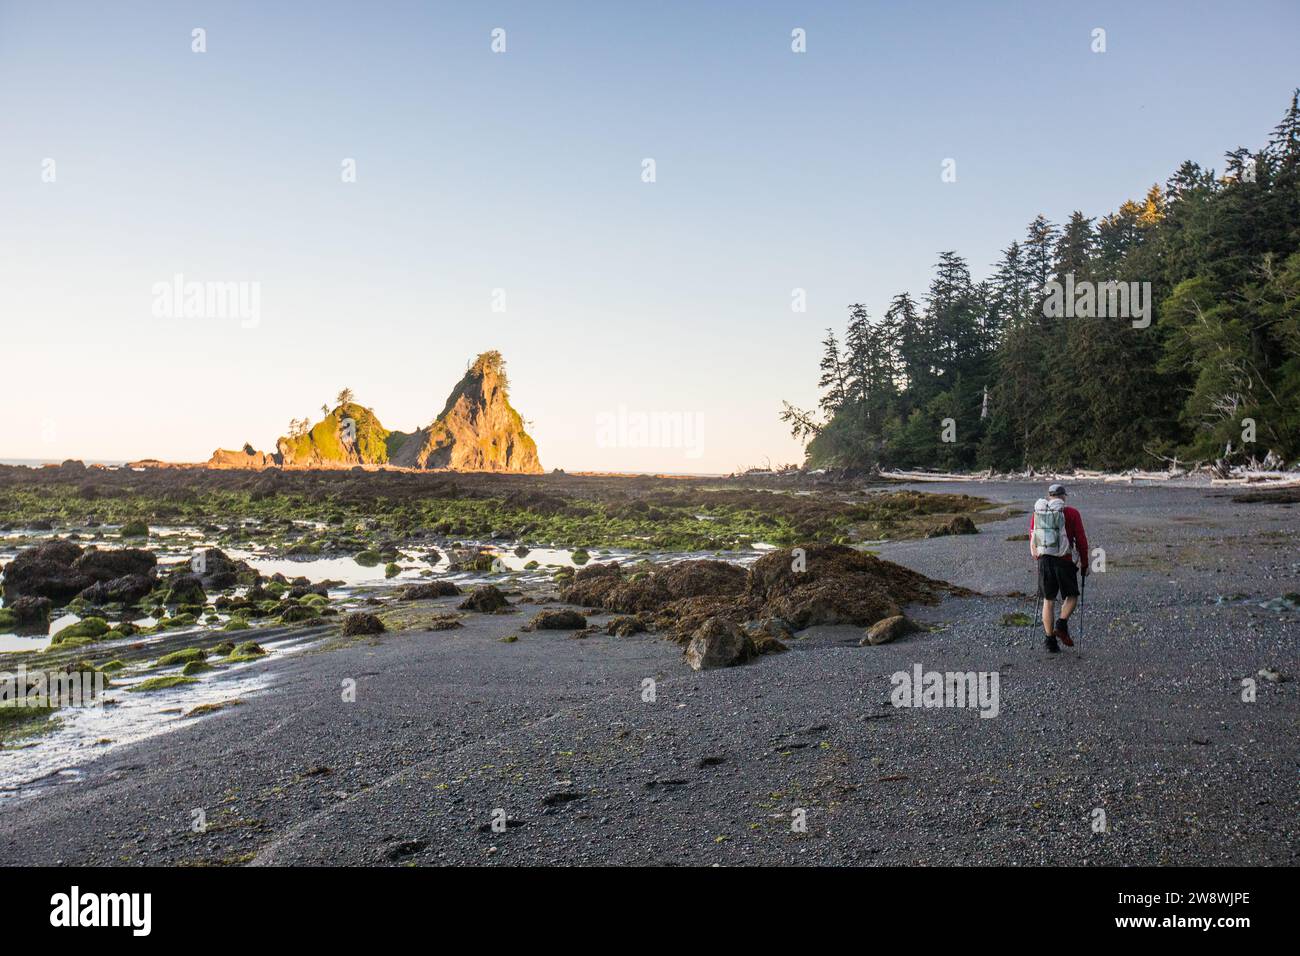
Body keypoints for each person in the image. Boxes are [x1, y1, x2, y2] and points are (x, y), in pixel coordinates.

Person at [1029, 482, 1089, 653]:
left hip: (1044, 561)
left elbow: (1032, 536)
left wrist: (1037, 556)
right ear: (1063, 497)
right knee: (1071, 596)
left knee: (1048, 600)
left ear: (1049, 496)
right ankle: (1061, 624)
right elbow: (1081, 540)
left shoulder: (1038, 513)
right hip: (1064, 560)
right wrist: (1084, 563)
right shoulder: (1071, 513)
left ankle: (1050, 642)